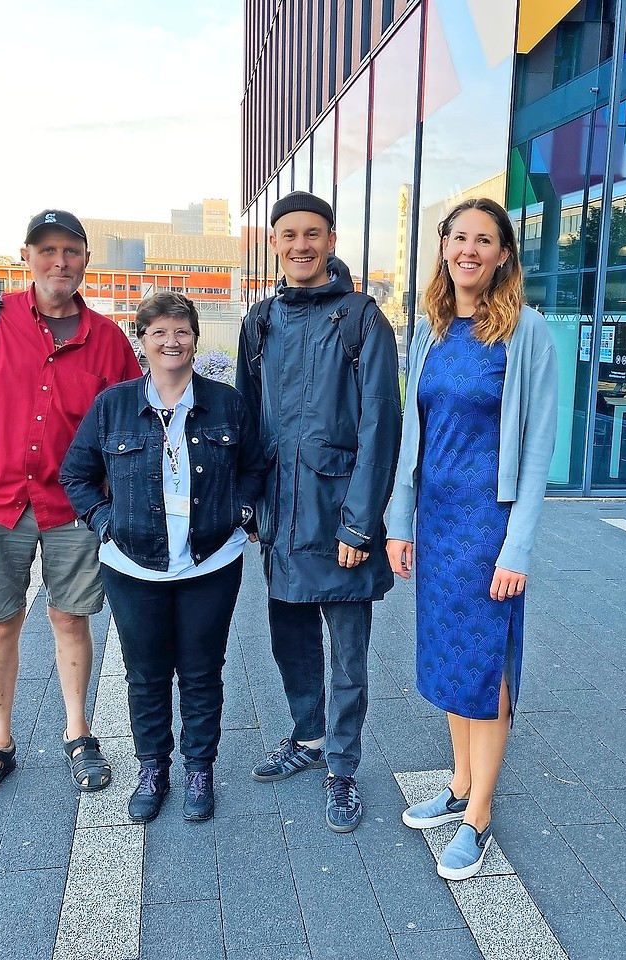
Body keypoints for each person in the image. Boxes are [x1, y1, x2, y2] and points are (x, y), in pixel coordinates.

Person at [0, 209, 142, 807]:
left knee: (72, 618)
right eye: (47, 250)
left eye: (71, 251)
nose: (59, 262)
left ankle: (78, 732)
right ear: (28, 257)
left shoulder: (108, 340)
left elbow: (131, 424)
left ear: (85, 261)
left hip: (71, 505)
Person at [385, 197, 557, 879]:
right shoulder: (429, 330)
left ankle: (479, 815)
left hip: (489, 526)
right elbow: (410, 436)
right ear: (445, 248)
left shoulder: (527, 332)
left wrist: (517, 548)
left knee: (487, 669)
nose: (469, 250)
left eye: (484, 240)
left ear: (504, 255)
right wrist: (400, 523)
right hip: (438, 519)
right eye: (459, 237)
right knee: (452, 659)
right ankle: (458, 783)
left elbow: (539, 447)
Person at [60, 292, 264, 823]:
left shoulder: (226, 403)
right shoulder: (114, 405)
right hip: (132, 565)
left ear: (196, 340)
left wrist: (240, 515)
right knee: (146, 672)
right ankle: (153, 768)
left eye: (182, 332)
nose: (172, 342)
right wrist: (105, 524)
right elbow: (75, 474)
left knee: (201, 671)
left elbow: (256, 466)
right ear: (142, 340)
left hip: (211, 561)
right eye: (160, 333)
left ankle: (199, 769)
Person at [236, 191, 402, 834]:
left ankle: (342, 766)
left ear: (331, 241)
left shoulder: (362, 319)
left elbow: (379, 423)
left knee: (348, 652)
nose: (300, 245)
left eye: (312, 234)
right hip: (282, 512)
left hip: (338, 516)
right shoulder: (261, 319)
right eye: (287, 235)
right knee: (290, 640)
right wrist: (250, 504)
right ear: (274, 244)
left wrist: (360, 522)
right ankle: (306, 739)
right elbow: (249, 420)